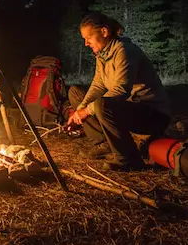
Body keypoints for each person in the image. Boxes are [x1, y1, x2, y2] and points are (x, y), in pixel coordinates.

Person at [67, 12, 171, 171]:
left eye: (88, 37)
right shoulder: (102, 54)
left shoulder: (124, 50)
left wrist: (88, 111)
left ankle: (129, 159)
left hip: (152, 113)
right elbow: (98, 84)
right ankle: (106, 143)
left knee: (101, 105)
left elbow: (120, 90)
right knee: (75, 93)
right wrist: (80, 109)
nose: (86, 43)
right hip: (127, 108)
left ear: (104, 32)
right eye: (84, 39)